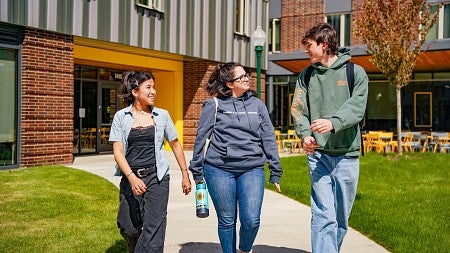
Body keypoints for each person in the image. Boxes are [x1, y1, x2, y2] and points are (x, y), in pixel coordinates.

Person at [290, 23, 368, 253]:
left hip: (347, 156)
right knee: (323, 214)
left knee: (340, 219)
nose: (306, 51)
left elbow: (356, 107)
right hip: (319, 156)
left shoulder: (355, 73)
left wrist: (333, 123)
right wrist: (305, 135)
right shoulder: (307, 75)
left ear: (324, 45)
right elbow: (298, 110)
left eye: (309, 46)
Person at [189, 62, 282, 253]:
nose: (247, 78)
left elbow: (268, 137)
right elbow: (201, 139)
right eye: (241, 77)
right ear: (230, 83)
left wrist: (275, 170)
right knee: (227, 221)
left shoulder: (257, 105)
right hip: (219, 169)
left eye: (246, 75)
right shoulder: (214, 105)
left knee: (251, 220)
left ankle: (244, 249)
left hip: (252, 168)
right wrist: (197, 171)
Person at [109, 71, 192, 253]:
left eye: (154, 87)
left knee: (154, 228)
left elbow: (176, 145)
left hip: (157, 177)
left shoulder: (162, 115)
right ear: (135, 92)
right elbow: (118, 152)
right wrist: (131, 178)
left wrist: (185, 175)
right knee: (129, 227)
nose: (153, 91)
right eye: (148, 87)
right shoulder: (121, 117)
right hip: (131, 178)